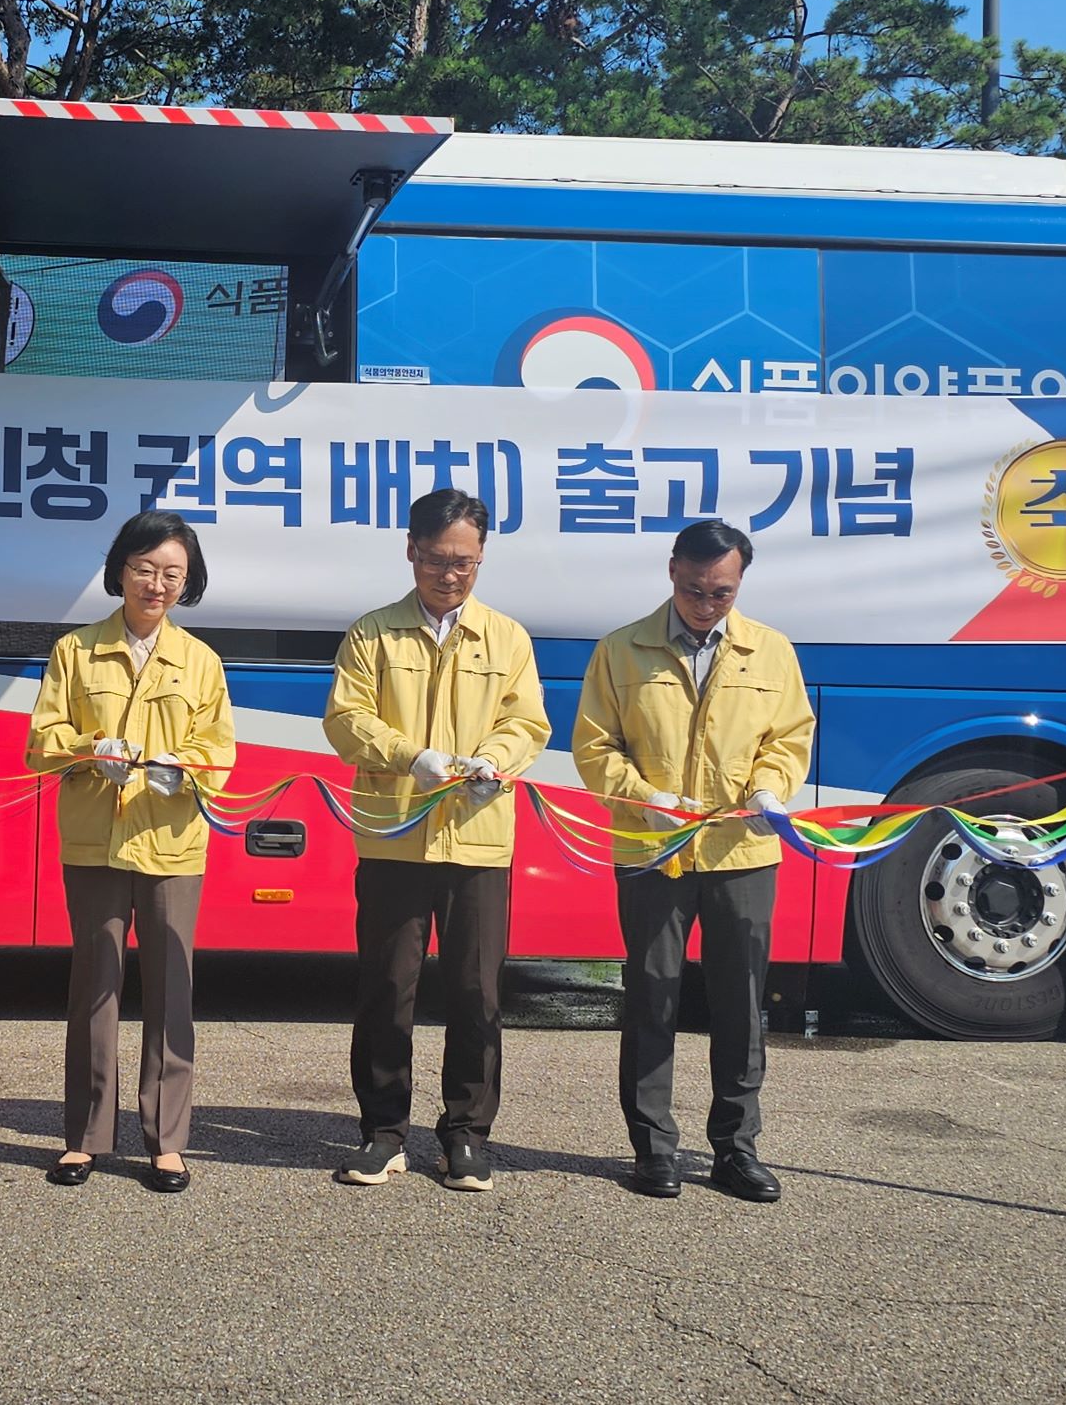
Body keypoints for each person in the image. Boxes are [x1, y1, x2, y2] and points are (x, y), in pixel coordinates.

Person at [573, 519, 814, 1203]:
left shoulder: (770, 651)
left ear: (740, 583)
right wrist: (642, 796)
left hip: (742, 852)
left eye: (722, 592)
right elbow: (594, 746)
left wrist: (771, 785)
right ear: (671, 570)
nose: (706, 605)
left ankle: (736, 1149)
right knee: (652, 994)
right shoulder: (623, 650)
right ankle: (653, 1149)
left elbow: (790, 737)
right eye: (694, 589)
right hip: (654, 850)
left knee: (741, 999)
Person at [323, 489, 550, 1193]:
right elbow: (344, 719)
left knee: (477, 992)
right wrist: (408, 754)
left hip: (479, 842)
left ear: (481, 559)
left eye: (466, 563)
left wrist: (498, 759)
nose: (451, 575)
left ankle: (465, 1135)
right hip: (395, 837)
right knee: (388, 988)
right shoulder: (373, 634)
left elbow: (528, 722)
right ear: (411, 551)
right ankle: (383, 1132)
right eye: (438, 560)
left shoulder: (507, 638)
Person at [27, 511, 236, 1194]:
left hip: (171, 843)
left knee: (172, 991)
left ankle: (167, 1141)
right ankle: (85, 1138)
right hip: (95, 839)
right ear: (119, 569)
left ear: (187, 582)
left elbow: (221, 751)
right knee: (94, 989)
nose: (157, 584)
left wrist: (184, 763)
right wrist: (91, 752)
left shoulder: (201, 661)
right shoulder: (76, 651)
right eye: (145, 569)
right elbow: (41, 742)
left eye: (172, 573)